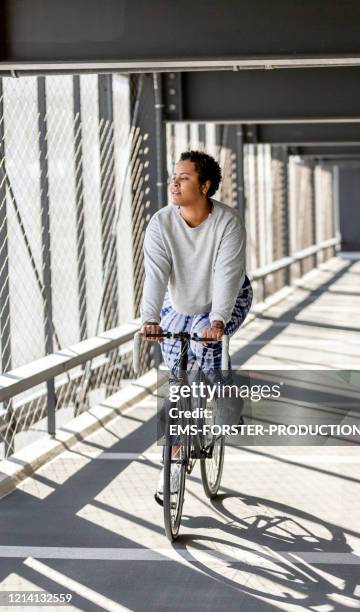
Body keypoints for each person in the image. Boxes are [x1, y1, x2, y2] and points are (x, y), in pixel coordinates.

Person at [139, 150, 253, 499]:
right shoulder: (161, 223)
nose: (174, 181)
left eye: (184, 177)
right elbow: (155, 275)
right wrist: (150, 319)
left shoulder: (227, 223)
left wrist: (217, 321)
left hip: (226, 298)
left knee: (208, 353)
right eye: (174, 175)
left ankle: (225, 397)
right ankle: (172, 462)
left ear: (205, 186)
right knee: (178, 380)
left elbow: (227, 275)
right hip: (181, 304)